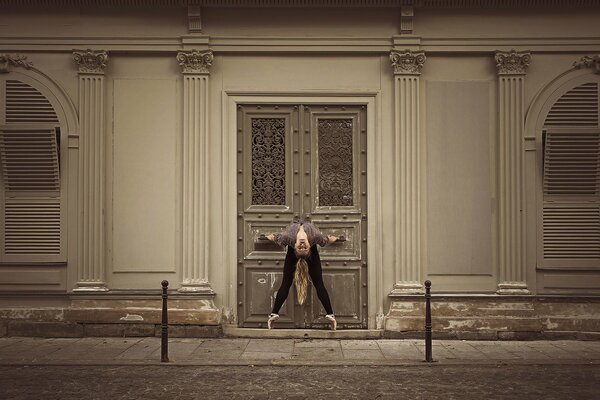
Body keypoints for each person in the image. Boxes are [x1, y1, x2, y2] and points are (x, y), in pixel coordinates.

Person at [265, 219, 338, 330]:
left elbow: (278, 238)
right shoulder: (314, 237)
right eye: (302, 248)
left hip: (303, 253)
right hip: (294, 253)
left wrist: (272, 237)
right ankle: (273, 315)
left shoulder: (288, 239)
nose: (302, 245)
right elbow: (324, 241)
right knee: (286, 283)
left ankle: (331, 315)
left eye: (302, 248)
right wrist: (330, 239)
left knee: (319, 283)